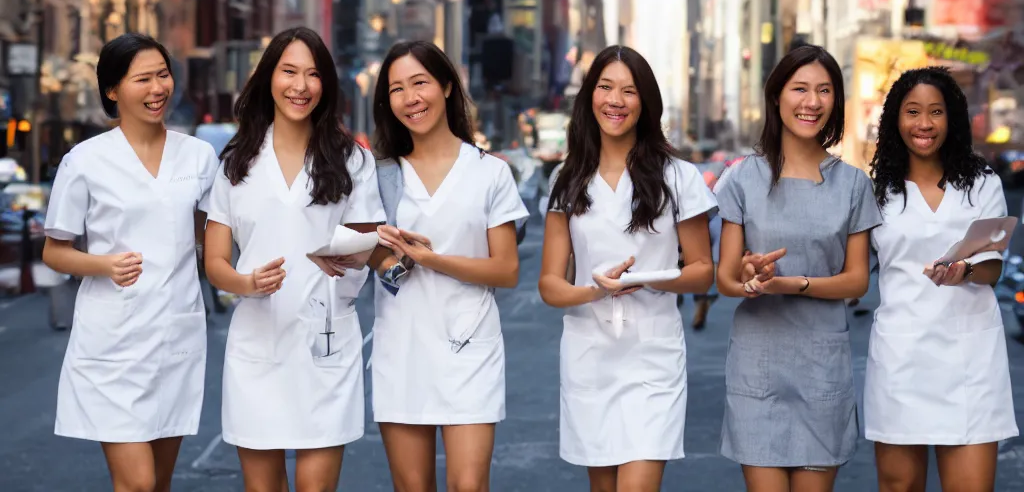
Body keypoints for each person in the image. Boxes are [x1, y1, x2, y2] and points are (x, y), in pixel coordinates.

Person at [203, 27, 384, 491]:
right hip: (257, 343)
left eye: (312, 74)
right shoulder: (236, 162)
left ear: (326, 85)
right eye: (288, 72)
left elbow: (367, 242)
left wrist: (348, 254)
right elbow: (217, 259)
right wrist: (246, 284)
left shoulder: (351, 159)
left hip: (325, 335)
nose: (300, 86)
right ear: (268, 78)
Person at [41, 32, 218, 492]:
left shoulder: (198, 157)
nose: (158, 88)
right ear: (113, 90)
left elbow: (213, 237)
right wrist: (104, 265)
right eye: (143, 78)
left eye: (163, 75)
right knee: (136, 484)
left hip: (177, 335)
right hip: (112, 348)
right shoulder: (84, 161)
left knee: (158, 484)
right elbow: (54, 249)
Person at [537, 45, 716, 491]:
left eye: (629, 90)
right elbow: (550, 285)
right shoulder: (568, 178)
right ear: (589, 97)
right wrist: (596, 291)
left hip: (651, 357)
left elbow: (702, 270)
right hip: (589, 354)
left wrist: (645, 279)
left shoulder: (678, 177)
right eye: (605, 87)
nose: (615, 100)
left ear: (645, 102)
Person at [715, 44, 882, 492]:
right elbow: (726, 279)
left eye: (825, 91)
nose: (812, 102)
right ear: (776, 96)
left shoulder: (852, 184)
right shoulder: (742, 178)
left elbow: (857, 282)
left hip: (821, 366)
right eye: (800, 88)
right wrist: (749, 276)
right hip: (758, 364)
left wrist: (792, 283)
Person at [369, 40, 529, 492]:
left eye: (420, 83)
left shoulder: (489, 172)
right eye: (397, 89)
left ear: (445, 87)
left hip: (469, 348)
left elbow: (507, 270)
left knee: (469, 486)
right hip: (401, 348)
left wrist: (431, 259)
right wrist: (393, 261)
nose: (411, 98)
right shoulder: (379, 175)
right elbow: (376, 263)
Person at [866, 66, 1019, 492]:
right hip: (901, 359)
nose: (924, 124)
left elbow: (993, 267)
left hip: (969, 359)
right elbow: (852, 269)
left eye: (936, 112)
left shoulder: (982, 183)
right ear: (895, 119)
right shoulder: (877, 191)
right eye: (912, 111)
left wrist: (964, 271)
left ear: (951, 118)